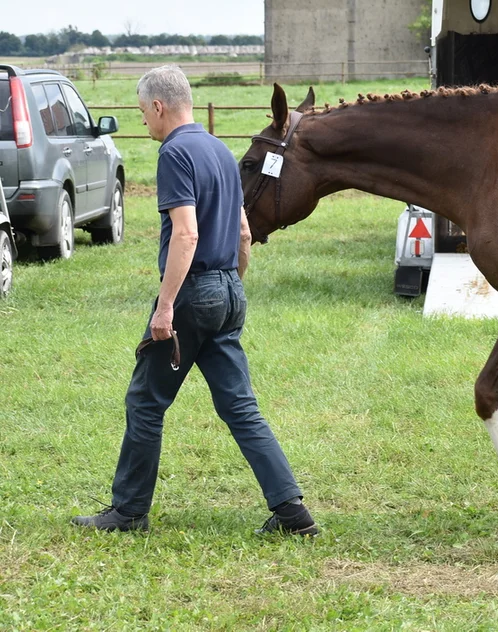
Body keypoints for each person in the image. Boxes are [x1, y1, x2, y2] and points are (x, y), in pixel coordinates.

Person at [73, 65, 317, 536]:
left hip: (193, 294)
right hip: (227, 288)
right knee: (239, 406)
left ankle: (127, 513)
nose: (145, 120)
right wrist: (232, 282)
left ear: (160, 107)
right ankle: (291, 511)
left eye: (144, 112)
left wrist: (166, 307)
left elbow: (186, 235)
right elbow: (243, 231)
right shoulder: (220, 151)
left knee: (145, 402)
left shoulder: (175, 153)